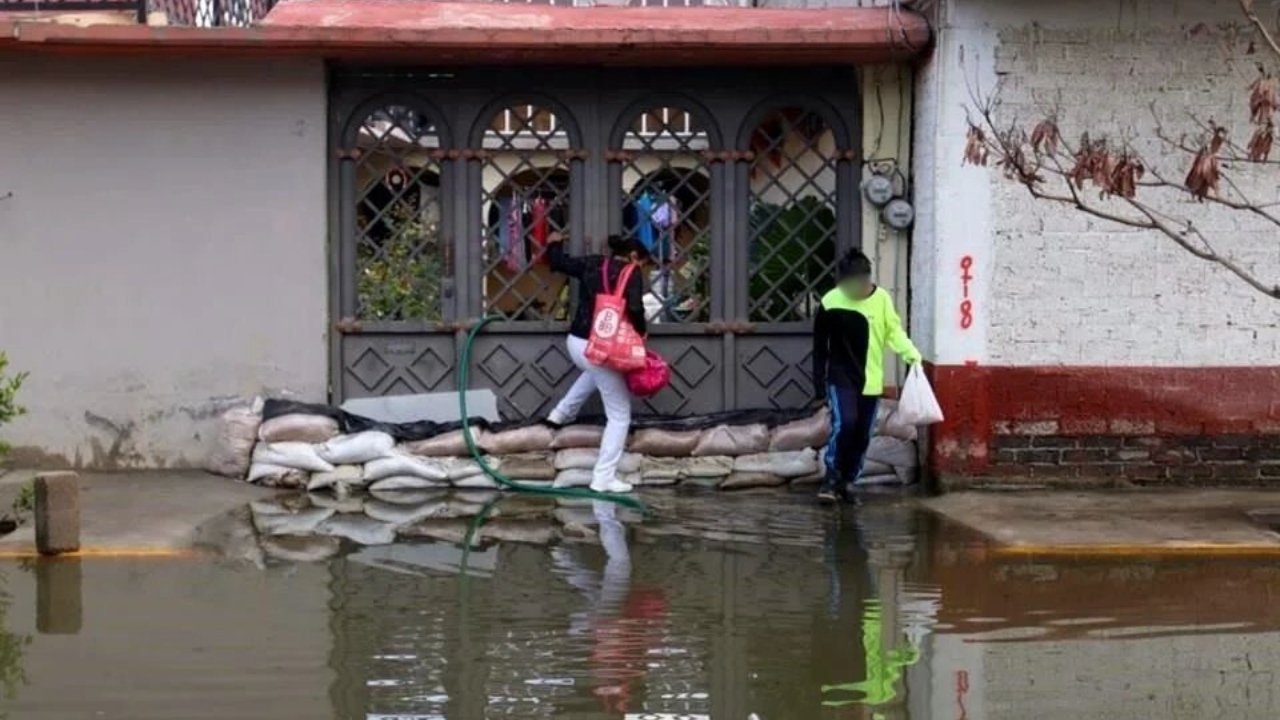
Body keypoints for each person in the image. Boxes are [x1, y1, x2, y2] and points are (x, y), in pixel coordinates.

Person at [812, 249, 922, 504]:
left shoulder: (882, 299)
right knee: (845, 423)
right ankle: (831, 478)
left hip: (870, 379)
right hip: (840, 379)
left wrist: (911, 355)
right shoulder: (831, 302)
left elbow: (893, 332)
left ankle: (849, 479)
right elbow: (820, 349)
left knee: (862, 432)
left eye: (859, 283)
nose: (855, 289)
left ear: (867, 279)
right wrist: (819, 388)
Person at [545, 232, 651, 494]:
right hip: (604, 347)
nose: (643, 270)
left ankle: (560, 414)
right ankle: (603, 478)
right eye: (644, 264)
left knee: (596, 371)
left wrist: (554, 242)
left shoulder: (592, 263)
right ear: (634, 256)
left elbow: (558, 262)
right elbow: (636, 309)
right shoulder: (631, 272)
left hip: (577, 343)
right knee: (619, 415)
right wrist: (642, 331)